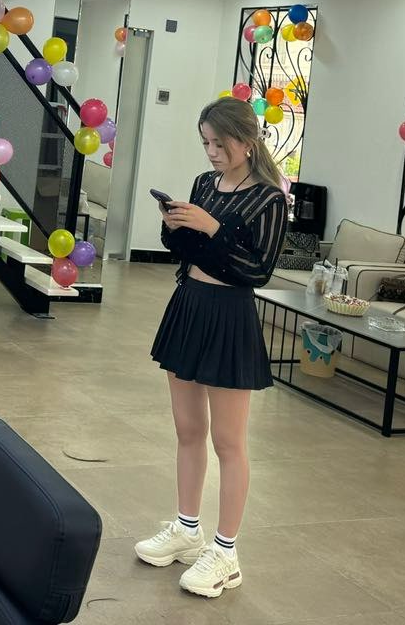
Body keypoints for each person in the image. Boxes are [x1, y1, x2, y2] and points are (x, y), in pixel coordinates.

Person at [136, 96, 288, 599]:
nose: (212, 153)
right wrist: (175, 226)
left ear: (246, 142)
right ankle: (186, 530)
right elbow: (187, 252)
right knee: (187, 429)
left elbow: (256, 271)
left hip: (229, 316)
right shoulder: (205, 184)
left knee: (228, 441)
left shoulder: (269, 199)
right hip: (189, 305)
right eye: (206, 143)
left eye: (219, 144)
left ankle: (226, 553)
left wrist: (212, 227)